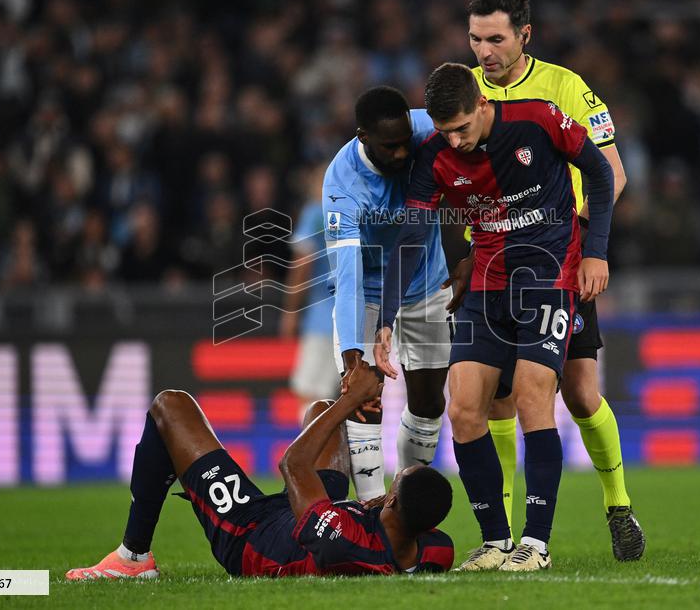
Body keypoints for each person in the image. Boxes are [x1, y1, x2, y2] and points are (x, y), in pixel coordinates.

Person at [374, 62, 615, 571]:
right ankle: (495, 542)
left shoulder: (539, 119)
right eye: (445, 132)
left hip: (549, 279)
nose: (456, 141)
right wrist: (385, 316)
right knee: (462, 410)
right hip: (486, 285)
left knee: (532, 399)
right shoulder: (435, 156)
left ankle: (537, 544)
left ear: (482, 105)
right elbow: (414, 236)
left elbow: (599, 171)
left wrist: (596, 250)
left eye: (463, 127)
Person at [458, 0, 644, 562]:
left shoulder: (566, 88)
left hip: (555, 259)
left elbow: (611, 171)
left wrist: (584, 243)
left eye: (495, 39)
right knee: (492, 401)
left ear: (524, 36)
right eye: (475, 39)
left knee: (581, 392)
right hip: (489, 268)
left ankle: (618, 505)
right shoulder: (464, 89)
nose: (484, 52)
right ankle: (505, 538)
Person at [65, 361, 454, 579]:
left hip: (252, 533)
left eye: (393, 487)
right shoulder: (434, 547)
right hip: (316, 514)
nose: (386, 489)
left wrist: (352, 399)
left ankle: (133, 558)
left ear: (392, 505)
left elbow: (292, 465)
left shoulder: (344, 544)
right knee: (322, 413)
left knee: (170, 406)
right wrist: (345, 407)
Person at [323, 86, 452, 501]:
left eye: (404, 144)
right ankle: (373, 508)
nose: (401, 154)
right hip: (369, 288)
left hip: (427, 281)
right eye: (390, 147)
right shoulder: (342, 186)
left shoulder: (425, 130)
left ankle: (404, 499)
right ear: (363, 136)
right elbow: (346, 279)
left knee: (430, 403)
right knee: (363, 398)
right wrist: (353, 361)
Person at [281, 163, 341, 414]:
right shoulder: (354, 212)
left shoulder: (315, 213)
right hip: (353, 315)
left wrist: (290, 312)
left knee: (310, 394)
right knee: (332, 395)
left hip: (322, 318)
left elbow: (302, 262)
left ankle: (316, 453)